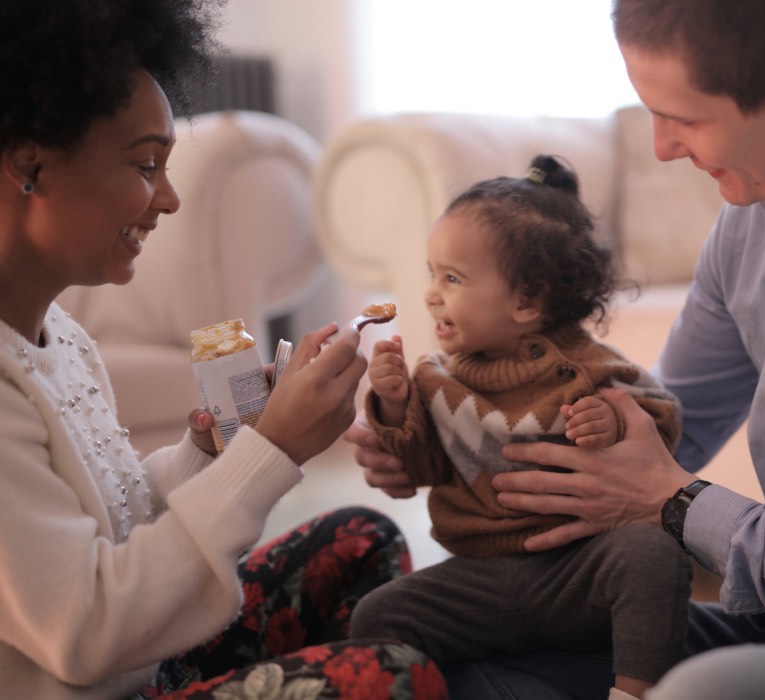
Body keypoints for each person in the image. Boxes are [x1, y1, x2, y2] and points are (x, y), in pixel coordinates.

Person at [348, 0, 765, 698]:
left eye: (685, 118)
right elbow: (655, 427)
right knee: (435, 661)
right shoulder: (757, 212)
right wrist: (444, 444)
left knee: (704, 690)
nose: (660, 148)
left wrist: (678, 502)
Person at [0, 2, 447, 699]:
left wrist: (217, 449)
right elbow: (86, 630)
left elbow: (114, 524)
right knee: (392, 678)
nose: (169, 199)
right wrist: (273, 452)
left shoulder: (63, 338)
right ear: (31, 167)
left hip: (142, 666)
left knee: (362, 538)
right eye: (147, 165)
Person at [349, 154, 692, 700]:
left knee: (652, 558)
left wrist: (612, 424)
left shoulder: (590, 368)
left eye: (454, 278)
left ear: (527, 300)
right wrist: (391, 406)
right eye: (432, 275)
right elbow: (417, 468)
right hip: (480, 579)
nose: (432, 293)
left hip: (579, 573)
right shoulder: (435, 381)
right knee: (378, 614)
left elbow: (660, 424)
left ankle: (632, 692)